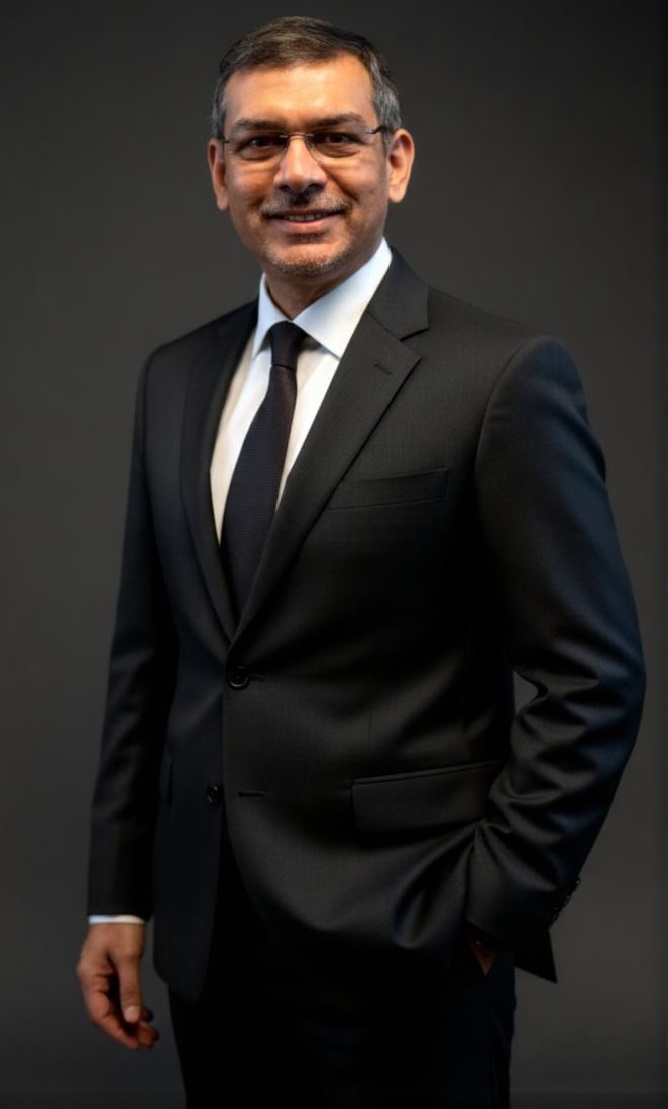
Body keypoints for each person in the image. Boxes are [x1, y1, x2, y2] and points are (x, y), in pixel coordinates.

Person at [77, 14, 645, 1109]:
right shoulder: (174, 378)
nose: (297, 172)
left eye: (335, 136)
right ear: (219, 171)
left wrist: (490, 911)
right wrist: (120, 897)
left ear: (397, 159)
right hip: (209, 946)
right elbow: (148, 663)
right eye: (261, 143)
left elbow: (594, 678)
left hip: (412, 947)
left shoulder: (501, 377)